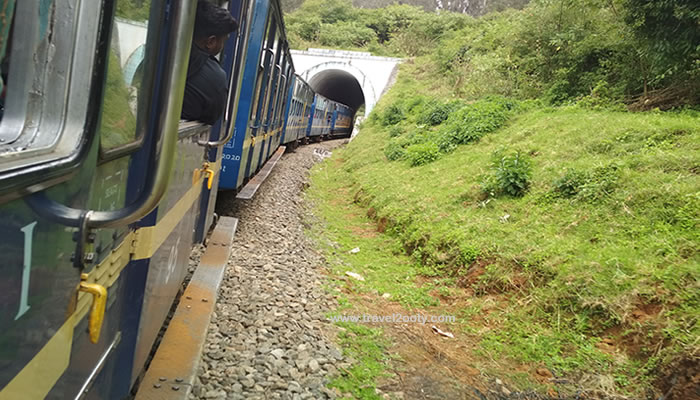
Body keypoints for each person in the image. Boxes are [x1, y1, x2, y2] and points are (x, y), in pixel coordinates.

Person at [181, 1, 238, 125]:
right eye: (223, 40)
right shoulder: (216, 78)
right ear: (210, 42)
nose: (222, 46)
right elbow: (211, 118)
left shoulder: (160, 55)